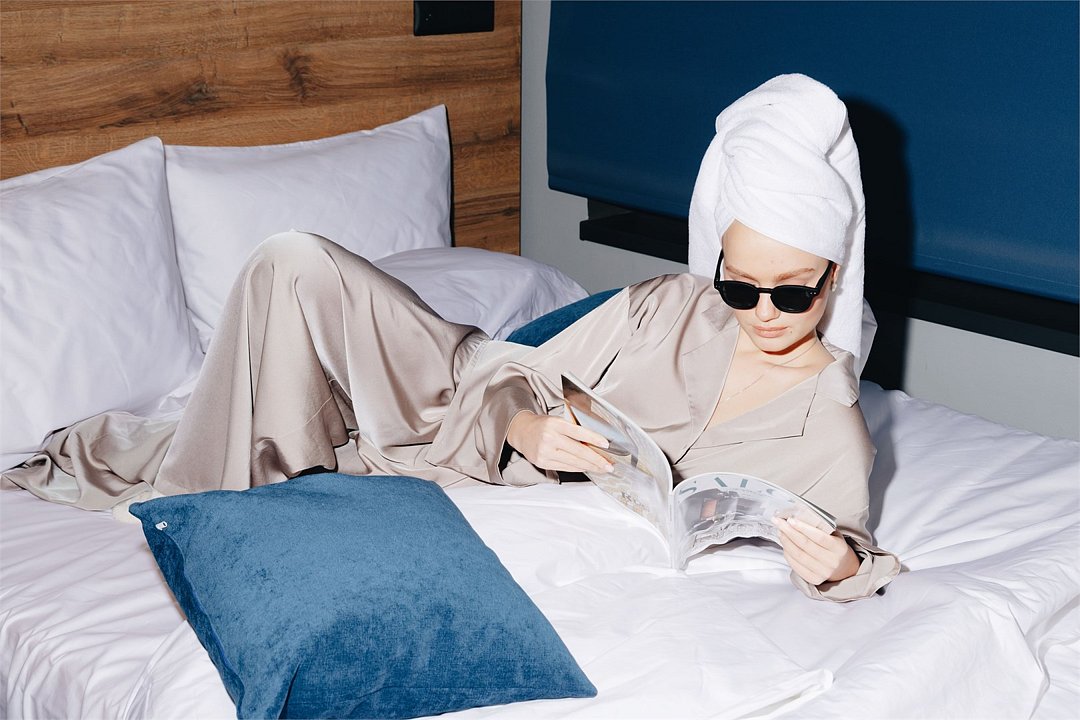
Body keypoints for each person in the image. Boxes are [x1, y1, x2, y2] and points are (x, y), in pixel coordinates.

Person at [3, 74, 899, 602]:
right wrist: (525, 426)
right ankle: (205, 505)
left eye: (794, 292)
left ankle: (291, 440)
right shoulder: (669, 306)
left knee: (327, 414)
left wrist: (834, 566)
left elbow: (852, 548)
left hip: (485, 464)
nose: (764, 312)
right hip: (454, 386)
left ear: (835, 276)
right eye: (739, 285)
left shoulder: (831, 426)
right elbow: (519, 370)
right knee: (293, 261)